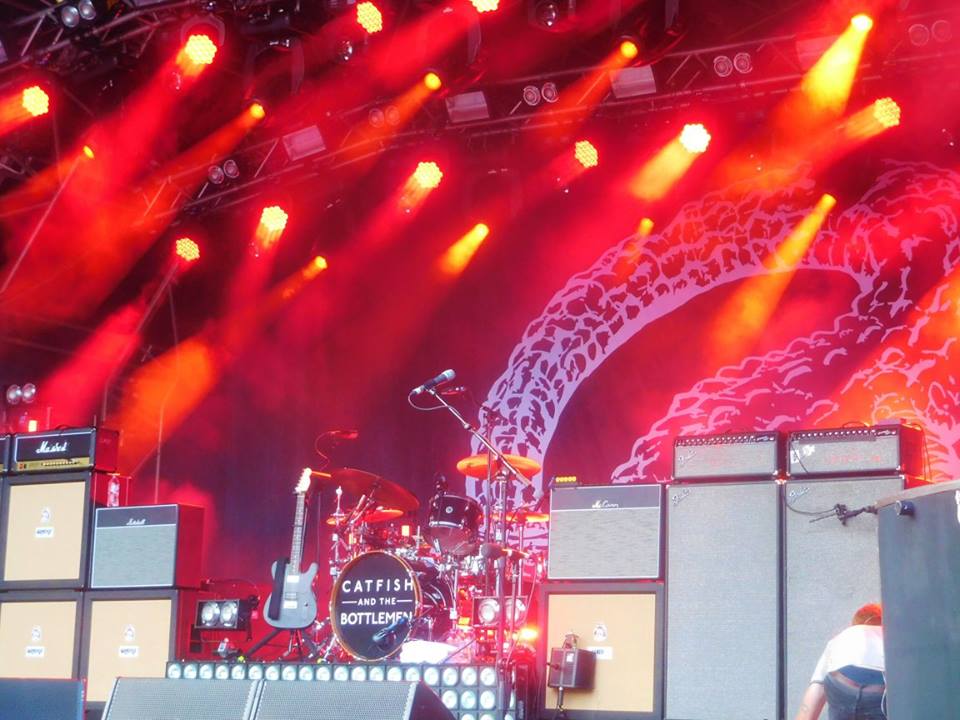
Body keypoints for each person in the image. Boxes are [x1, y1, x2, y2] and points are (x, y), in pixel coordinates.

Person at [794, 603, 885, 720]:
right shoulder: (891, 638)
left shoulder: (843, 637)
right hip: (878, 692)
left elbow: (815, 691)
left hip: (840, 684)